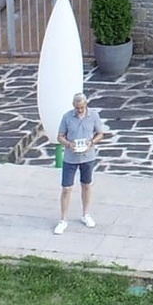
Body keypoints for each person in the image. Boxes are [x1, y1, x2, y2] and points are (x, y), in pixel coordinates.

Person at [54, 92, 107, 233]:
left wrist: (91, 142)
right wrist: (68, 144)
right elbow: (60, 136)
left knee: (86, 185)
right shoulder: (67, 117)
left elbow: (100, 133)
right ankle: (63, 219)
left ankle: (86, 214)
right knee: (66, 188)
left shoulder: (93, 116)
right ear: (74, 106)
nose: (80, 110)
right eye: (78, 108)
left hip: (88, 157)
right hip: (71, 158)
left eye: (82, 107)